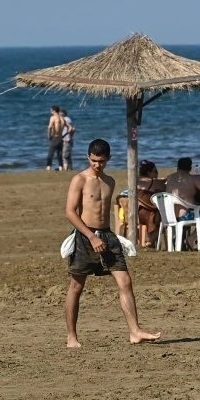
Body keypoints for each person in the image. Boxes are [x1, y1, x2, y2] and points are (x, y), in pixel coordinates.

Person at [64, 138, 160, 347]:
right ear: (88, 157)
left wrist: (112, 235)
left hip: (107, 236)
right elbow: (70, 213)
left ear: (108, 159)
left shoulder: (110, 181)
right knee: (76, 287)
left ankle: (135, 331)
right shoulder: (79, 179)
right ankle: (72, 337)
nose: (97, 165)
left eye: (101, 161)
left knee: (125, 281)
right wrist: (91, 237)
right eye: (93, 160)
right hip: (85, 236)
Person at [164, 157, 200, 243]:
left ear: (177, 167)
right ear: (190, 168)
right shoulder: (193, 178)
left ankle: (177, 240)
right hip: (185, 215)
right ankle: (191, 238)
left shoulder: (170, 178)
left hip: (170, 215)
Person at [134, 160, 168, 248]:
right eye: (155, 171)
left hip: (135, 212)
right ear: (149, 173)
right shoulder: (154, 182)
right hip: (147, 213)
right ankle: (151, 241)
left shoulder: (134, 180)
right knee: (164, 218)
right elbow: (167, 189)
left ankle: (142, 241)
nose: (157, 173)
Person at [46, 106, 65, 170]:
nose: (50, 111)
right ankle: (61, 167)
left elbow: (50, 127)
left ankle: (48, 167)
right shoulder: (62, 118)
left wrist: (49, 135)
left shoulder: (53, 117)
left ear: (54, 111)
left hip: (55, 137)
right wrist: (65, 135)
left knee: (50, 153)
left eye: (51, 110)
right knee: (59, 154)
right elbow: (70, 128)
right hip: (60, 138)